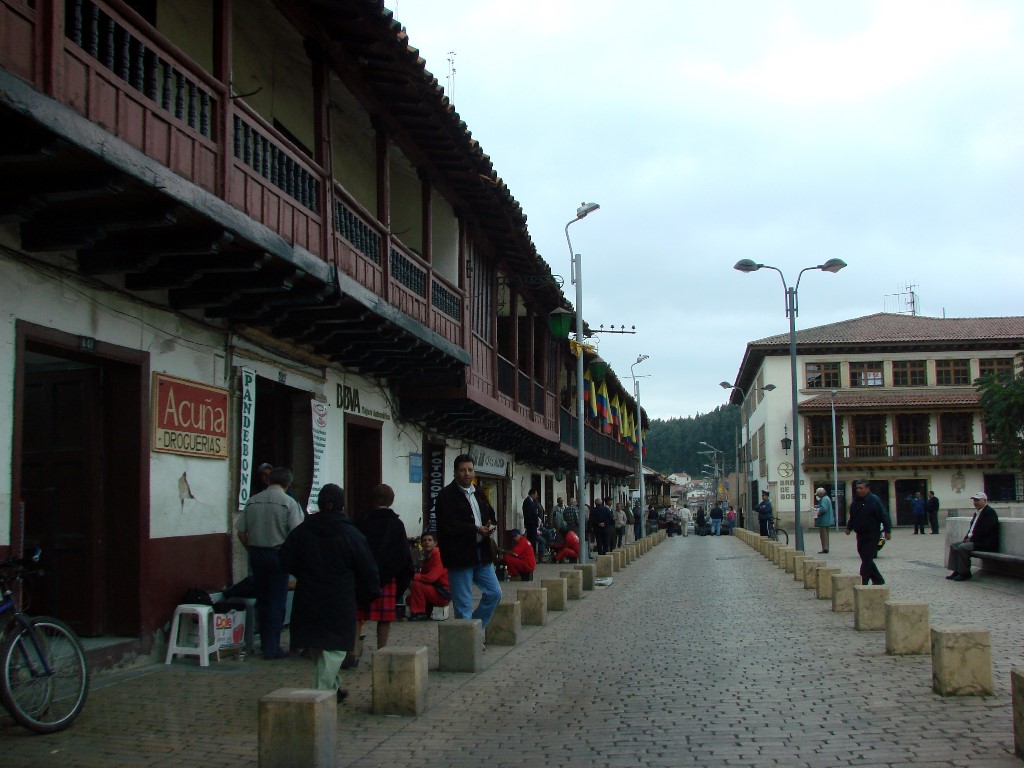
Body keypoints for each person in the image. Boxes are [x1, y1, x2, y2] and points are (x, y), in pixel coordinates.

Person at [278, 483, 379, 701]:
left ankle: (333, 689)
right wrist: (369, 594)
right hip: (339, 599)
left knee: (318, 645)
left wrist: (303, 572)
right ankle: (318, 698)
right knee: (334, 650)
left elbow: (285, 558)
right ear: (342, 506)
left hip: (308, 596)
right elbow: (367, 568)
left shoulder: (303, 531)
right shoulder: (351, 534)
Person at [235, 466, 305, 660]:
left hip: (257, 554)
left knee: (263, 599)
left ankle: (265, 643)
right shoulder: (288, 503)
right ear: (288, 483)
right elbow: (297, 534)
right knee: (277, 601)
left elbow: (240, 531)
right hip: (277, 554)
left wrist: (251, 547)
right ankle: (272, 648)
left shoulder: (253, 500)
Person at [435, 454, 502, 629]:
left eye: (470, 470)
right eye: (463, 470)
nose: (467, 473)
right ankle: (467, 643)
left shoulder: (478, 492)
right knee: (463, 603)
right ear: (455, 472)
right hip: (459, 555)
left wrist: (490, 524)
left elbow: (490, 514)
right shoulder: (445, 496)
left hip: (482, 552)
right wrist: (475, 528)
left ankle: (475, 631)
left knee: (494, 593)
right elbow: (448, 525)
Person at [352, 484, 414, 664]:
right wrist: (401, 579)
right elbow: (403, 555)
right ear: (391, 500)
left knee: (358, 615)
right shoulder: (396, 523)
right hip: (386, 578)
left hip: (362, 576)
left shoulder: (361, 519)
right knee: (384, 618)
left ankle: (353, 652)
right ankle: (381, 652)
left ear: (373, 499)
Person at [846, 480, 891, 585]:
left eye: (861, 488)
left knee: (867, 558)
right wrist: (849, 527)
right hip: (860, 534)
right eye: (857, 488)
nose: (858, 490)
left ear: (867, 488)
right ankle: (878, 580)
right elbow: (852, 516)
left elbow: (884, 515)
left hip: (872, 533)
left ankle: (863, 581)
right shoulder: (856, 502)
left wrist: (887, 530)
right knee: (865, 557)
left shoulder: (874, 500)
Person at [947, 492, 1000, 582]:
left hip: (984, 543)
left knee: (962, 548)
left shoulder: (989, 512)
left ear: (984, 500)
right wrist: (966, 538)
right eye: (974, 500)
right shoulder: (977, 513)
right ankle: (956, 571)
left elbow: (984, 531)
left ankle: (965, 573)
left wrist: (971, 540)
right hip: (974, 540)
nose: (975, 502)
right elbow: (972, 529)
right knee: (954, 546)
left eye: (977, 500)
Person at [407, 532, 450, 620]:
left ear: (435, 543)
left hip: (442, 593)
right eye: (424, 540)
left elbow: (431, 578)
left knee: (416, 585)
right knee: (409, 599)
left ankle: (420, 612)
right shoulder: (428, 556)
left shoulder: (438, 556)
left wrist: (414, 576)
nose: (427, 542)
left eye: (430, 540)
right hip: (435, 590)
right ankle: (426, 609)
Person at [813, 487, 835, 554]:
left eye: (818, 494)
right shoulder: (826, 498)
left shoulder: (824, 499)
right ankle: (826, 548)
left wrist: (817, 510)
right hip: (826, 520)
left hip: (824, 520)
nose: (817, 496)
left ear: (821, 493)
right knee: (825, 535)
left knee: (823, 535)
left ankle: (825, 548)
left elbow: (823, 509)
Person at [522, 488, 541, 556]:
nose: (536, 495)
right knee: (532, 541)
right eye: (536, 494)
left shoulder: (531, 501)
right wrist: (533, 523)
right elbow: (529, 515)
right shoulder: (528, 502)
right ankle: (531, 555)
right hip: (531, 525)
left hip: (532, 525)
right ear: (532, 494)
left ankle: (532, 555)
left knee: (533, 540)